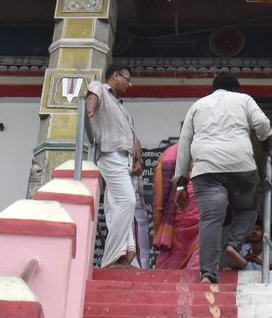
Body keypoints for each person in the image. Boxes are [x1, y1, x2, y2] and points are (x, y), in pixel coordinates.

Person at [173, 70, 272, 285]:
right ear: (236, 88)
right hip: (241, 167)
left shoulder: (198, 106)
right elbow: (263, 125)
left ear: (212, 89)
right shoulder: (244, 99)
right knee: (247, 209)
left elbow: (184, 145)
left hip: (206, 170)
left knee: (211, 219)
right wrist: (266, 149)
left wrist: (181, 185)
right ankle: (234, 244)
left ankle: (208, 274)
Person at [85, 64, 142, 268]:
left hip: (125, 161)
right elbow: (92, 98)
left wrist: (138, 160)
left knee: (118, 206)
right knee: (128, 201)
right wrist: (90, 111)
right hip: (110, 154)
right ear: (115, 76)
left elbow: (135, 139)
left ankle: (125, 253)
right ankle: (110, 257)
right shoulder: (99, 87)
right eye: (127, 79)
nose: (130, 84)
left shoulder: (124, 110)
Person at [153, 142, 200, 270]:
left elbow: (160, 198)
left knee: (170, 264)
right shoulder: (208, 146)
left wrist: (160, 225)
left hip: (175, 219)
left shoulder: (169, 154)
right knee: (197, 262)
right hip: (194, 218)